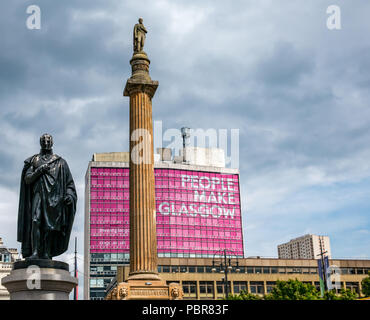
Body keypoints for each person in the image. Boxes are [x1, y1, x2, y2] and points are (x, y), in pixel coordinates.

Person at [17, 133, 77, 260]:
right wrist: (39, 171)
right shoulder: (34, 160)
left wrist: (69, 195)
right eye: (44, 141)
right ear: (40, 142)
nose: (46, 143)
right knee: (35, 220)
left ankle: (46, 252)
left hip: (54, 199)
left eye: (48, 141)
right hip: (38, 195)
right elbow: (27, 179)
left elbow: (69, 184)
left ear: (52, 142)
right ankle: (35, 252)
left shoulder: (61, 162)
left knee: (50, 226)